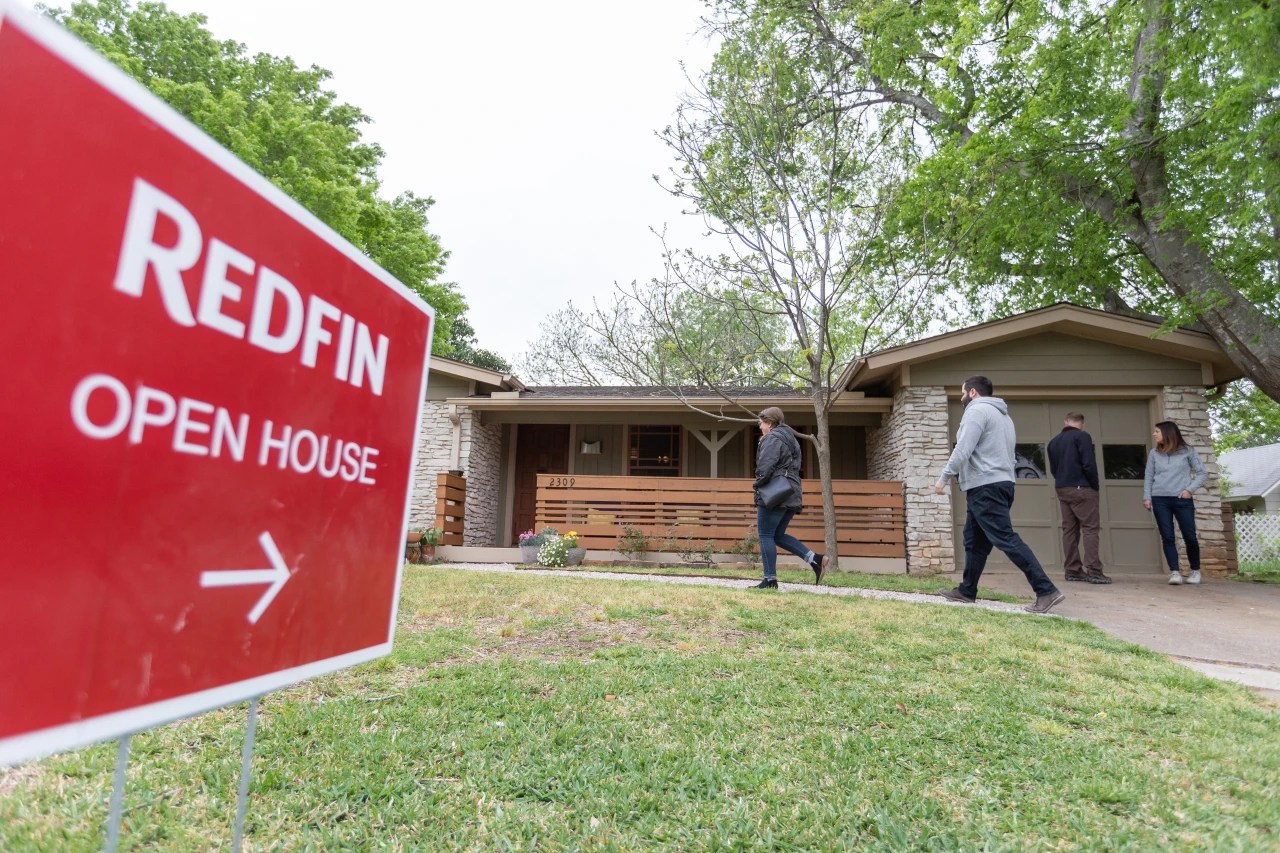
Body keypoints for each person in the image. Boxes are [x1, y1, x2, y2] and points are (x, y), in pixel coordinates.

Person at [933, 376, 1065, 613]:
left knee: (1005, 537)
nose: (961, 397)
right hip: (999, 484)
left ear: (972, 392)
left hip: (986, 487)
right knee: (974, 541)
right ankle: (966, 590)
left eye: (962, 393)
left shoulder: (976, 412)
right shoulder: (1003, 417)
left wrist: (943, 477)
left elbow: (963, 449)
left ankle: (1046, 590)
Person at [750, 407, 826, 589]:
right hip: (791, 492)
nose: (760, 426)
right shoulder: (791, 439)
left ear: (769, 422)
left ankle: (770, 580)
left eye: (761, 423)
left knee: (766, 534)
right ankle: (814, 559)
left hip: (776, 493)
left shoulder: (772, 439)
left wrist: (758, 485)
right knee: (777, 535)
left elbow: (765, 467)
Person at [1046, 412, 1111, 584]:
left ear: (1066, 421)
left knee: (1069, 530)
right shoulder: (1082, 437)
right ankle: (1094, 570)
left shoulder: (1054, 442)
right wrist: (1094, 486)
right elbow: (1088, 463)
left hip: (1063, 488)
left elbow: (1053, 468)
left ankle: (1072, 570)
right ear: (1082, 423)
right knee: (1090, 528)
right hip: (1082, 487)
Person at [1143, 420, 1208, 585]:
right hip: (1159, 500)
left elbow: (1202, 473)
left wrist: (1189, 490)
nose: (1154, 434)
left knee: (1190, 537)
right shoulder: (1154, 453)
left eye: (1156, 431)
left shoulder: (1188, 451)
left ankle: (1195, 570)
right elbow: (1149, 476)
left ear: (1167, 433)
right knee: (1167, 537)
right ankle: (1175, 572)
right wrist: (1147, 497)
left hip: (1182, 500)